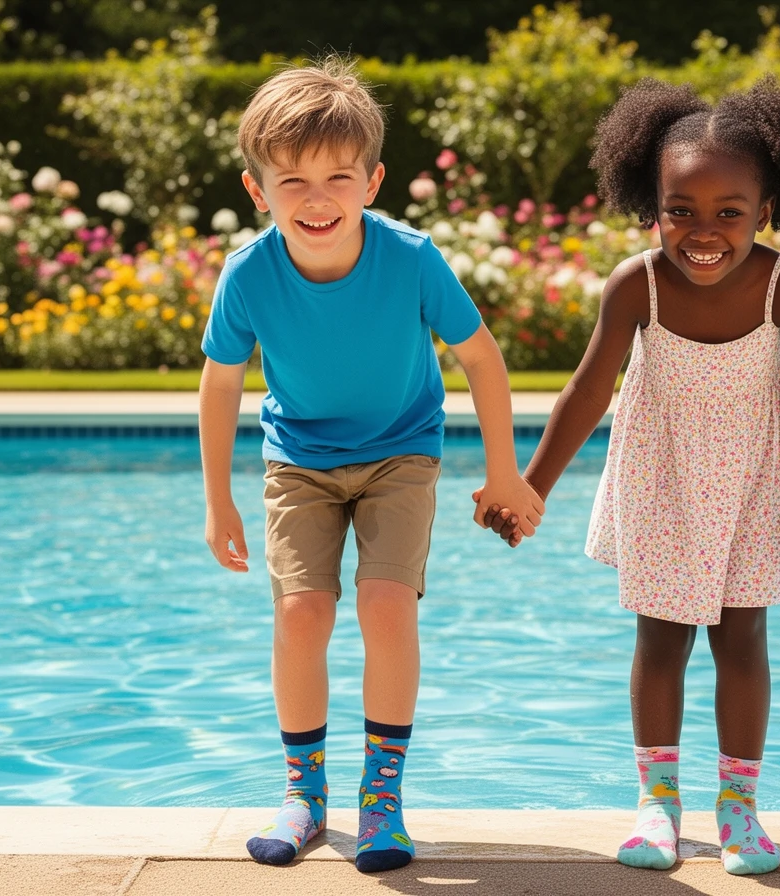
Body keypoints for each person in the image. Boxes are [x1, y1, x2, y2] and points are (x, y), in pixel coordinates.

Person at [477, 76, 780, 875]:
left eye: (729, 211)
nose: (702, 230)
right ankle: (658, 805)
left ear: (767, 208)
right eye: (681, 209)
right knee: (662, 637)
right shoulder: (635, 284)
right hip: (663, 478)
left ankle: (740, 809)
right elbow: (587, 389)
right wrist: (527, 484)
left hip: (754, 483)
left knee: (742, 635)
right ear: (651, 202)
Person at [199, 56, 544, 871]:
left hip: (401, 451)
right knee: (301, 615)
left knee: (386, 606)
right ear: (257, 190)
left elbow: (481, 359)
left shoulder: (413, 258)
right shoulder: (248, 275)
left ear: (373, 180)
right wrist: (219, 503)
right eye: (291, 181)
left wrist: (504, 472)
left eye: (338, 177)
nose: (317, 198)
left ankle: (382, 798)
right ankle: (304, 795)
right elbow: (219, 387)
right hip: (300, 459)